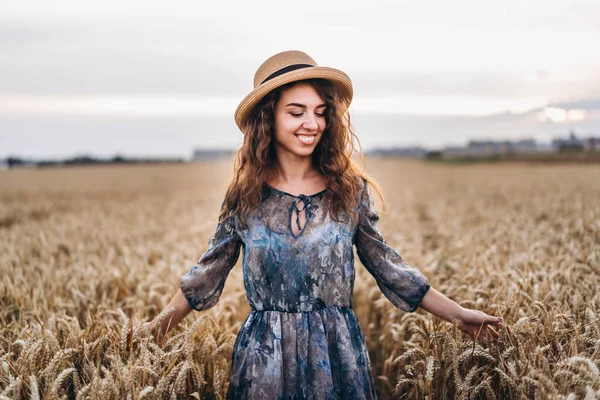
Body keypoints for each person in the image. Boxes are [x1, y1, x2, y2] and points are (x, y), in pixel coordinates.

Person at [144, 50, 504, 399]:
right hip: (264, 360)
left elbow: (389, 266)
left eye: (320, 112)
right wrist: (150, 332)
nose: (312, 123)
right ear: (269, 119)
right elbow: (206, 274)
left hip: (337, 354)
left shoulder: (348, 191)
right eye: (296, 112)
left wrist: (458, 316)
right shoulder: (245, 196)